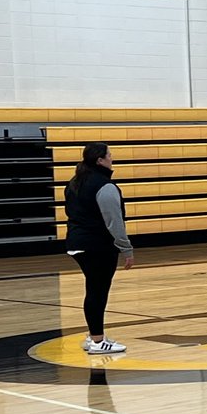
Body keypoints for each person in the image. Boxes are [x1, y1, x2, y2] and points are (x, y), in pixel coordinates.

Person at [64, 142, 133, 354]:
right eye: (109, 155)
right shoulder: (104, 186)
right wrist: (126, 248)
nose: (112, 158)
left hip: (77, 242)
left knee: (93, 290)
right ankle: (97, 341)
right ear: (100, 160)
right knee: (97, 291)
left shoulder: (75, 182)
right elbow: (114, 221)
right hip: (97, 246)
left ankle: (94, 335)